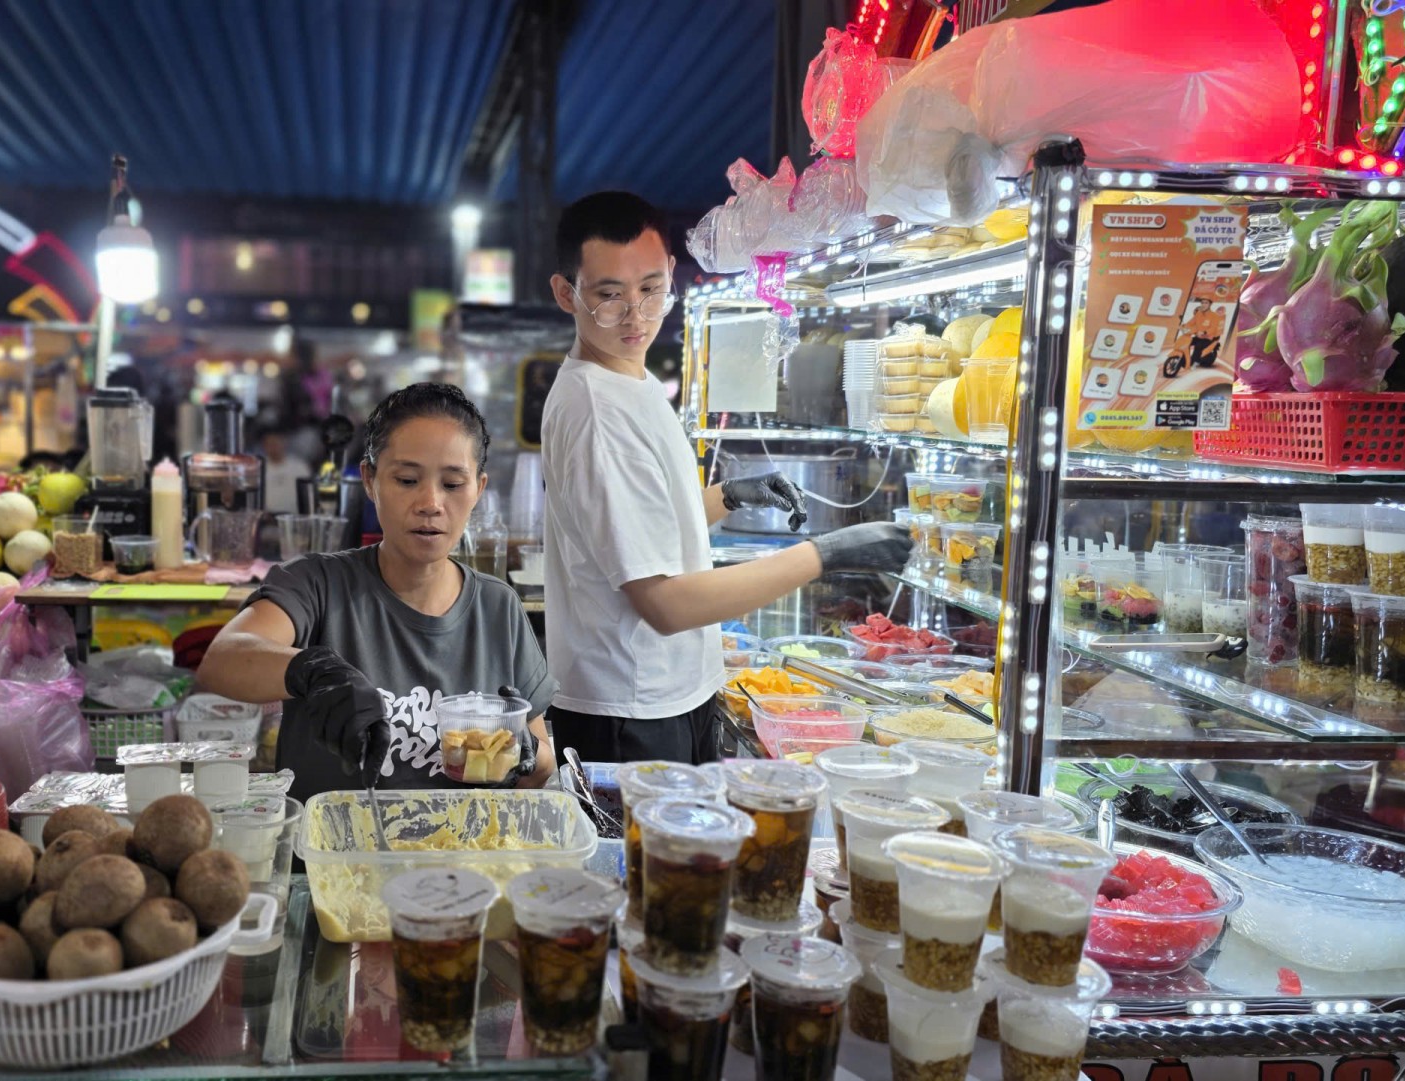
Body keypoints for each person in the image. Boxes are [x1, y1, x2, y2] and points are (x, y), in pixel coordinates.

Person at [540, 192, 912, 765]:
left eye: (651, 289)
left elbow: (649, 522)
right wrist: (826, 555)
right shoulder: (598, 412)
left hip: (662, 695)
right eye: (609, 295)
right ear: (567, 293)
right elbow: (665, 604)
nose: (636, 315)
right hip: (630, 711)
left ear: (671, 273)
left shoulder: (630, 381)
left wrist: (729, 497)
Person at [196, 383, 555, 804]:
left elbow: (542, 765)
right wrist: (313, 673)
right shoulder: (318, 584)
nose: (430, 502)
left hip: (462, 842)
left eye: (453, 484)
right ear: (370, 480)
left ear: (478, 488)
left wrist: (521, 752)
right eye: (407, 480)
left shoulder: (498, 608)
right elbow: (222, 661)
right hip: (334, 842)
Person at [260, 426, 312, 514]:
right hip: (268, 517)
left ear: (284, 442)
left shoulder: (299, 466)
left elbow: (308, 494)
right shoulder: (258, 468)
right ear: (264, 446)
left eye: (276, 443)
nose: (273, 447)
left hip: (295, 516)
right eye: (269, 444)